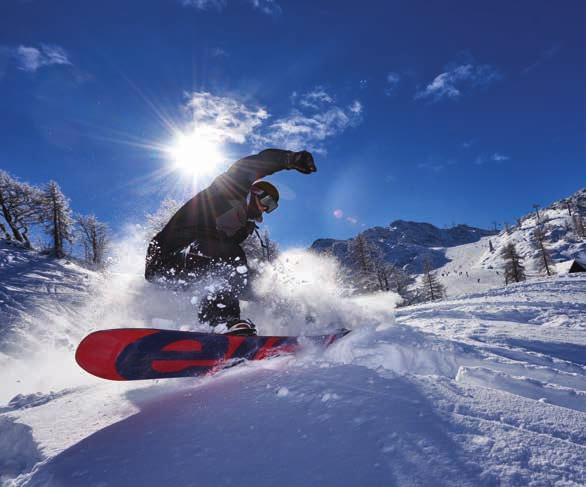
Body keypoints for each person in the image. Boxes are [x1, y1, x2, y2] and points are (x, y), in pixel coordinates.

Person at [145, 148, 317, 336]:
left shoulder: (242, 227)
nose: (266, 209)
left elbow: (234, 274)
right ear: (255, 191)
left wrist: (264, 290)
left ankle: (302, 325)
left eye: (272, 207)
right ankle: (220, 321)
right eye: (267, 201)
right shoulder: (230, 191)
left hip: (193, 264)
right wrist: (289, 159)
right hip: (165, 257)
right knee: (230, 256)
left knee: (259, 285)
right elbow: (248, 166)